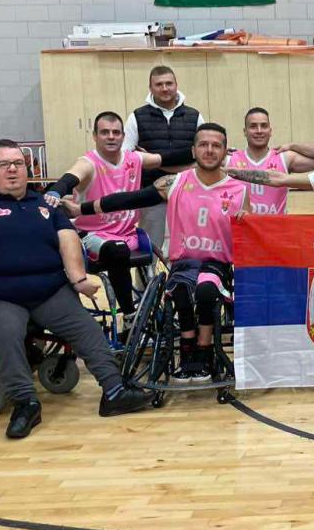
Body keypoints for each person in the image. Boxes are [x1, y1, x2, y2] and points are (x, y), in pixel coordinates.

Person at [0, 139, 152, 439]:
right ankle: (25, 403)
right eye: (3, 164)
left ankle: (114, 391)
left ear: (27, 169)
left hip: (50, 291)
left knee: (86, 328)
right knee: (7, 333)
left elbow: (68, 237)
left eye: (18, 163)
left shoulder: (44, 204)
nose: (12, 170)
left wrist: (78, 278)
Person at [67, 124, 249, 383]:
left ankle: (205, 350)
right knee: (181, 290)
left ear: (224, 151)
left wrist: (247, 219)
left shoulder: (239, 189)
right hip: (184, 262)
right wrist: (80, 209)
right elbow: (129, 199)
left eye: (216, 145)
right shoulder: (175, 182)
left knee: (206, 291)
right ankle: (187, 351)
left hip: (216, 264)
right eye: (203, 145)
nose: (209, 150)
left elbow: (251, 233)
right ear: (193, 150)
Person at [43, 112, 193, 327]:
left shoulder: (134, 158)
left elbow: (167, 158)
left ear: (123, 136)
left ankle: (160, 311)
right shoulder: (88, 163)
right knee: (117, 250)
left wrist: (206, 151)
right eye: (105, 132)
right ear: (95, 136)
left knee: (171, 253)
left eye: (116, 132)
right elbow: (70, 177)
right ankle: (130, 315)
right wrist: (55, 192)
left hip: (129, 234)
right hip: (93, 237)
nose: (111, 137)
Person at [123, 65, 204, 250]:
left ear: (176, 85)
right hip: (151, 195)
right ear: (150, 88)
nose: (165, 88)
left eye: (169, 83)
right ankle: (149, 272)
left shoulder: (195, 116)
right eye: (159, 84)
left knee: (189, 247)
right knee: (150, 249)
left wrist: (152, 161)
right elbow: (128, 157)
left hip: (188, 194)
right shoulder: (136, 117)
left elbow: (203, 156)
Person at [228, 107, 314, 214]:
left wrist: (293, 146)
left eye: (264, 126)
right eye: (253, 126)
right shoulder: (230, 159)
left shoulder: (284, 158)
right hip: (244, 224)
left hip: (277, 224)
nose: (259, 131)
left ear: (270, 131)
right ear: (245, 131)